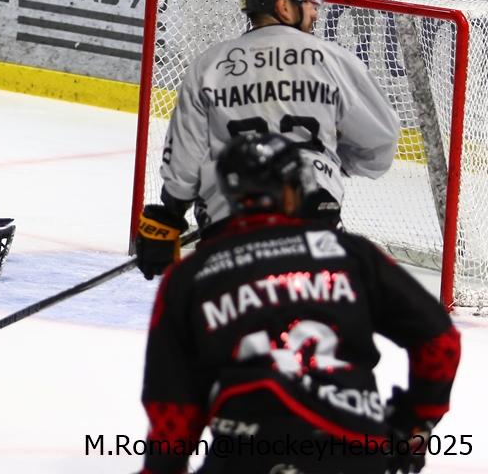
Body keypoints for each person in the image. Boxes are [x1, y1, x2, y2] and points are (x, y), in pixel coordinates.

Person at [138, 132, 461, 474]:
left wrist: (161, 468)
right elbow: (440, 343)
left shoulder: (192, 275)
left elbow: (170, 402)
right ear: (293, 189)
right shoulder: (351, 254)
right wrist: (415, 425)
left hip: (248, 455)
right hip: (354, 448)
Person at [134, 0, 400, 279]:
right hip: (313, 220)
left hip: (227, 222)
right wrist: (330, 161)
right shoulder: (335, 61)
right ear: (284, 7)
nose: (315, 10)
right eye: (308, 0)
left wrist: (170, 214)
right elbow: (381, 141)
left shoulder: (210, 65)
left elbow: (184, 163)